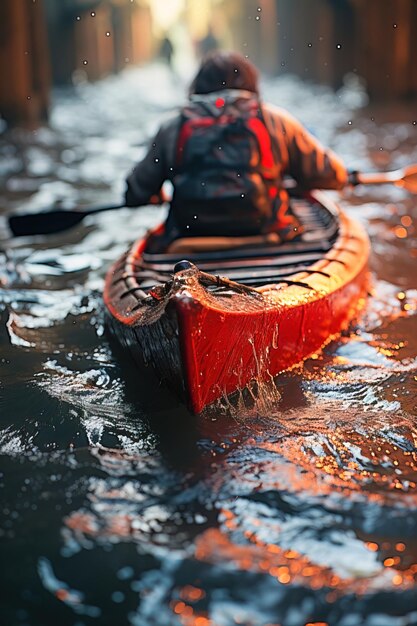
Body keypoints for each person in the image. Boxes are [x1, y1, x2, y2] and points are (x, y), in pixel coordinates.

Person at [125, 51, 348, 251]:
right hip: (266, 234)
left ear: (198, 86)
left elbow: (136, 192)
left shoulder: (173, 126)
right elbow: (332, 176)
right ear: (251, 84)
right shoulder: (276, 120)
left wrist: (155, 194)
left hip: (191, 235)